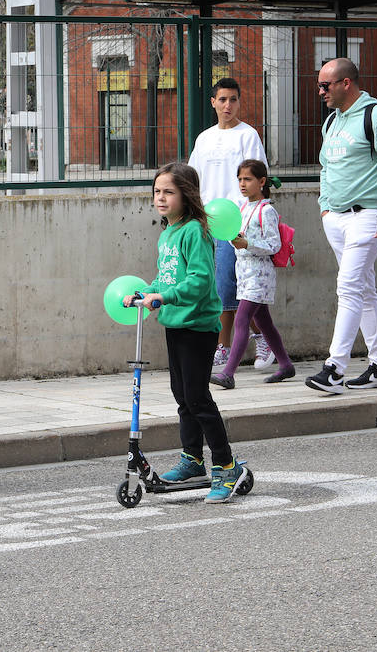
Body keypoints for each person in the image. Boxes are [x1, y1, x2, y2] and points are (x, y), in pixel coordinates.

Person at [130, 162, 251, 503]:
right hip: (176, 323)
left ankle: (226, 466)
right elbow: (165, 277)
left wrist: (165, 296)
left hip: (198, 325)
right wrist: (145, 292)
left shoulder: (196, 231)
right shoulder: (168, 232)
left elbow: (199, 280)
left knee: (198, 397)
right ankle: (192, 459)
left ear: (187, 194)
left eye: (169, 191)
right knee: (182, 396)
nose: (161, 198)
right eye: (157, 191)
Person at [306, 57, 377, 395]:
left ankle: (334, 368)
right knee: (364, 290)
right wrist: (324, 210)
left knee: (348, 287)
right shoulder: (332, 121)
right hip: (335, 218)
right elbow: (326, 168)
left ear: (346, 83)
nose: (320, 91)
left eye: (326, 85)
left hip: (369, 214)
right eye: (319, 84)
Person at [187, 77, 270, 382]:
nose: (227, 106)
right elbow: (193, 178)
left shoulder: (248, 136)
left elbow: (259, 179)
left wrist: (251, 220)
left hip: (236, 222)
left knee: (232, 288)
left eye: (233, 99)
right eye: (222, 99)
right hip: (206, 222)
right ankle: (256, 341)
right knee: (218, 288)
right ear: (213, 102)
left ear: (239, 102)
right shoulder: (205, 138)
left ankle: (232, 345)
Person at [211, 159, 295, 388]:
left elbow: (274, 245)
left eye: (247, 179)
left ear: (262, 181)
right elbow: (235, 235)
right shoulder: (242, 208)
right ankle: (286, 365)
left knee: (241, 319)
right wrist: (236, 239)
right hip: (245, 275)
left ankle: (228, 373)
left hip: (260, 277)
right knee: (264, 323)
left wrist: (247, 243)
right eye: (239, 179)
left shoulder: (267, 211)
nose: (242, 184)